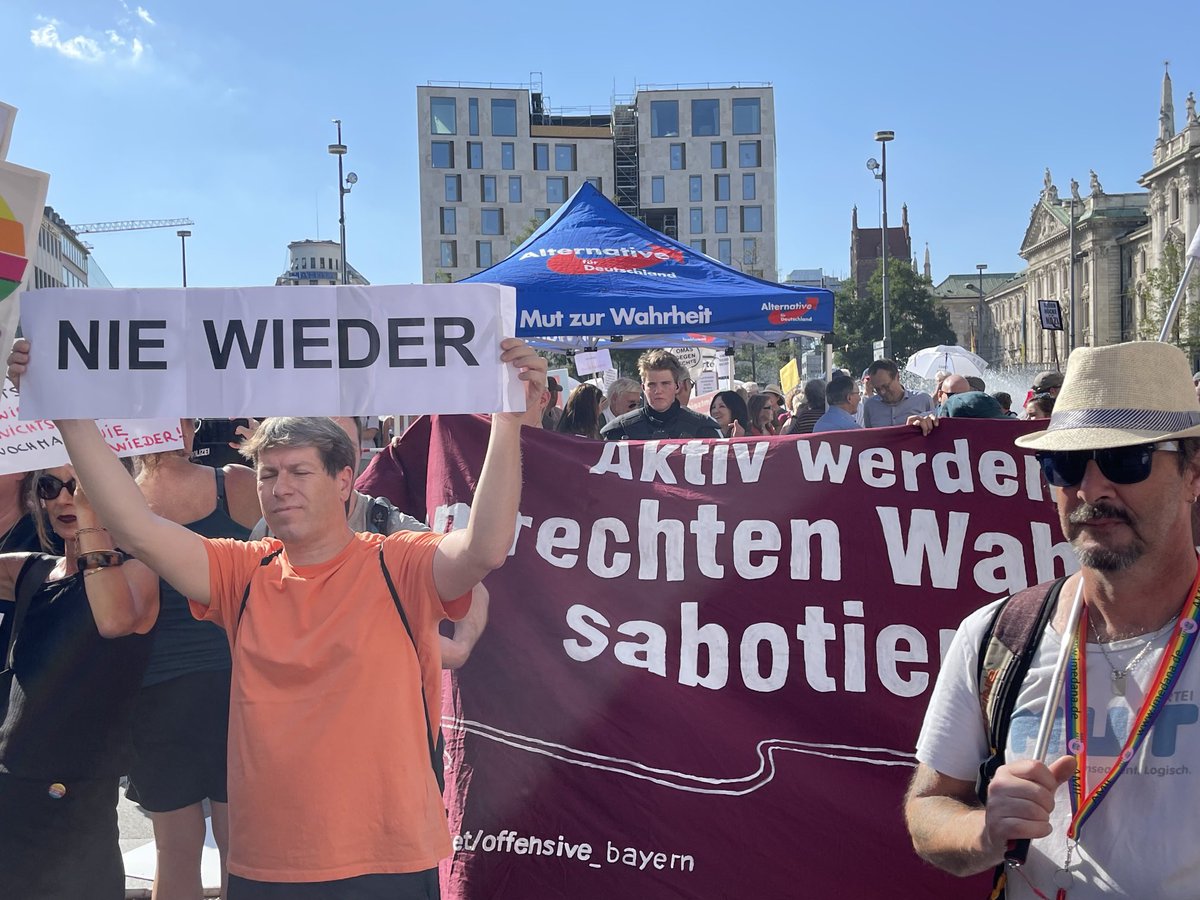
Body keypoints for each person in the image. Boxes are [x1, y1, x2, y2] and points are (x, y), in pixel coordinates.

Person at [8, 336, 546, 900]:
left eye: (299, 472)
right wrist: (69, 416)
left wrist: (507, 425)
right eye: (267, 475)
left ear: (344, 482)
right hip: (269, 861)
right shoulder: (241, 570)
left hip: (389, 851)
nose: (280, 488)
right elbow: (138, 527)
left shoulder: (399, 561)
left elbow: (484, 548)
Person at [903, 341, 1200, 898]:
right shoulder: (999, 635)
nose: (1090, 490)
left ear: (1194, 473)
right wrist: (986, 830)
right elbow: (929, 807)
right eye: (1064, 464)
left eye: (1124, 460)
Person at [0, 466, 159, 899]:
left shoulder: (139, 573)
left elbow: (113, 620)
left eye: (83, 486)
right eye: (52, 487)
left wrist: (94, 518)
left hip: (81, 791)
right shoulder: (33, 572)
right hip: (12, 779)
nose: (68, 499)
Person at [126, 419, 261, 900]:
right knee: (212, 846)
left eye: (186, 417)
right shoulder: (112, 499)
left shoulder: (113, 499)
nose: (180, 426)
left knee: (206, 847)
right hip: (195, 690)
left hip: (222, 689)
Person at [248, 416, 491, 671]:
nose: (336, 456)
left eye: (344, 446)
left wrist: (456, 648)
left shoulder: (386, 524)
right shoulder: (269, 530)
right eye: (324, 446)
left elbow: (470, 578)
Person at [601, 349, 722, 441]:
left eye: (665, 384)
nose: (658, 390)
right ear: (643, 388)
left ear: (677, 386)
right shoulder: (620, 430)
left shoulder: (703, 428)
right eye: (652, 385)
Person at [862, 359, 934, 427]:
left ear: (897, 377)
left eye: (886, 386)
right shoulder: (870, 406)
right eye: (877, 389)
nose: (882, 392)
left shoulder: (923, 400)